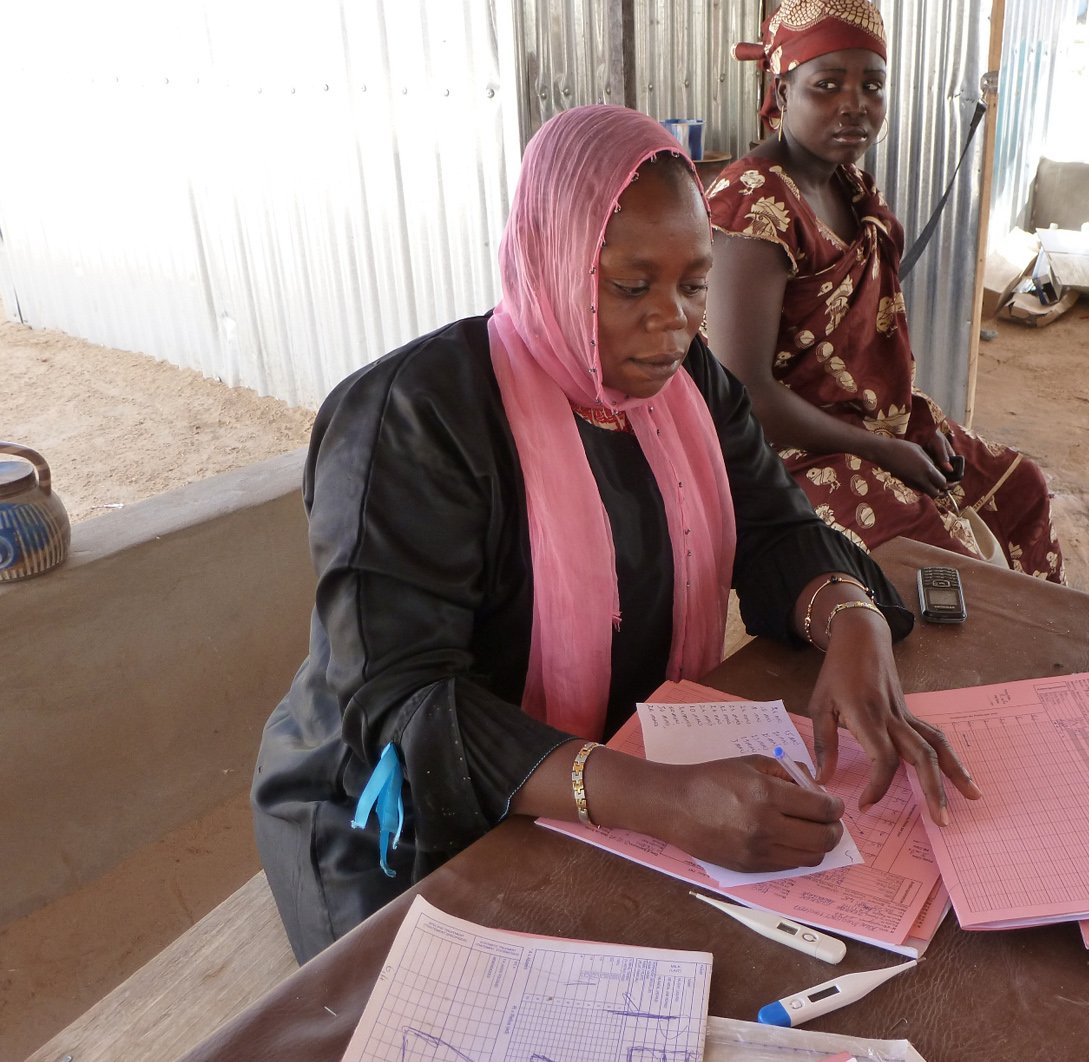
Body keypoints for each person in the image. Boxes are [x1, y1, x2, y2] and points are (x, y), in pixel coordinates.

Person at [251, 104, 980, 964]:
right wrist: (654, 798)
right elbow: (409, 704)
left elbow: (776, 526)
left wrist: (850, 620)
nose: (673, 322)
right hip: (391, 806)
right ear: (552, 258)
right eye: (632, 286)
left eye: (695, 282)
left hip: (614, 762)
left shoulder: (684, 386)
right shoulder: (414, 420)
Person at [705, 0, 1065, 581]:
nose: (855, 105)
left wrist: (907, 429)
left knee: (1020, 487)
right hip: (780, 452)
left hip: (866, 427)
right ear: (782, 91)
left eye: (873, 85)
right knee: (947, 559)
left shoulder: (848, 186)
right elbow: (743, 394)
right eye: (827, 85)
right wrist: (881, 450)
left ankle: (1045, 660)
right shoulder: (755, 202)